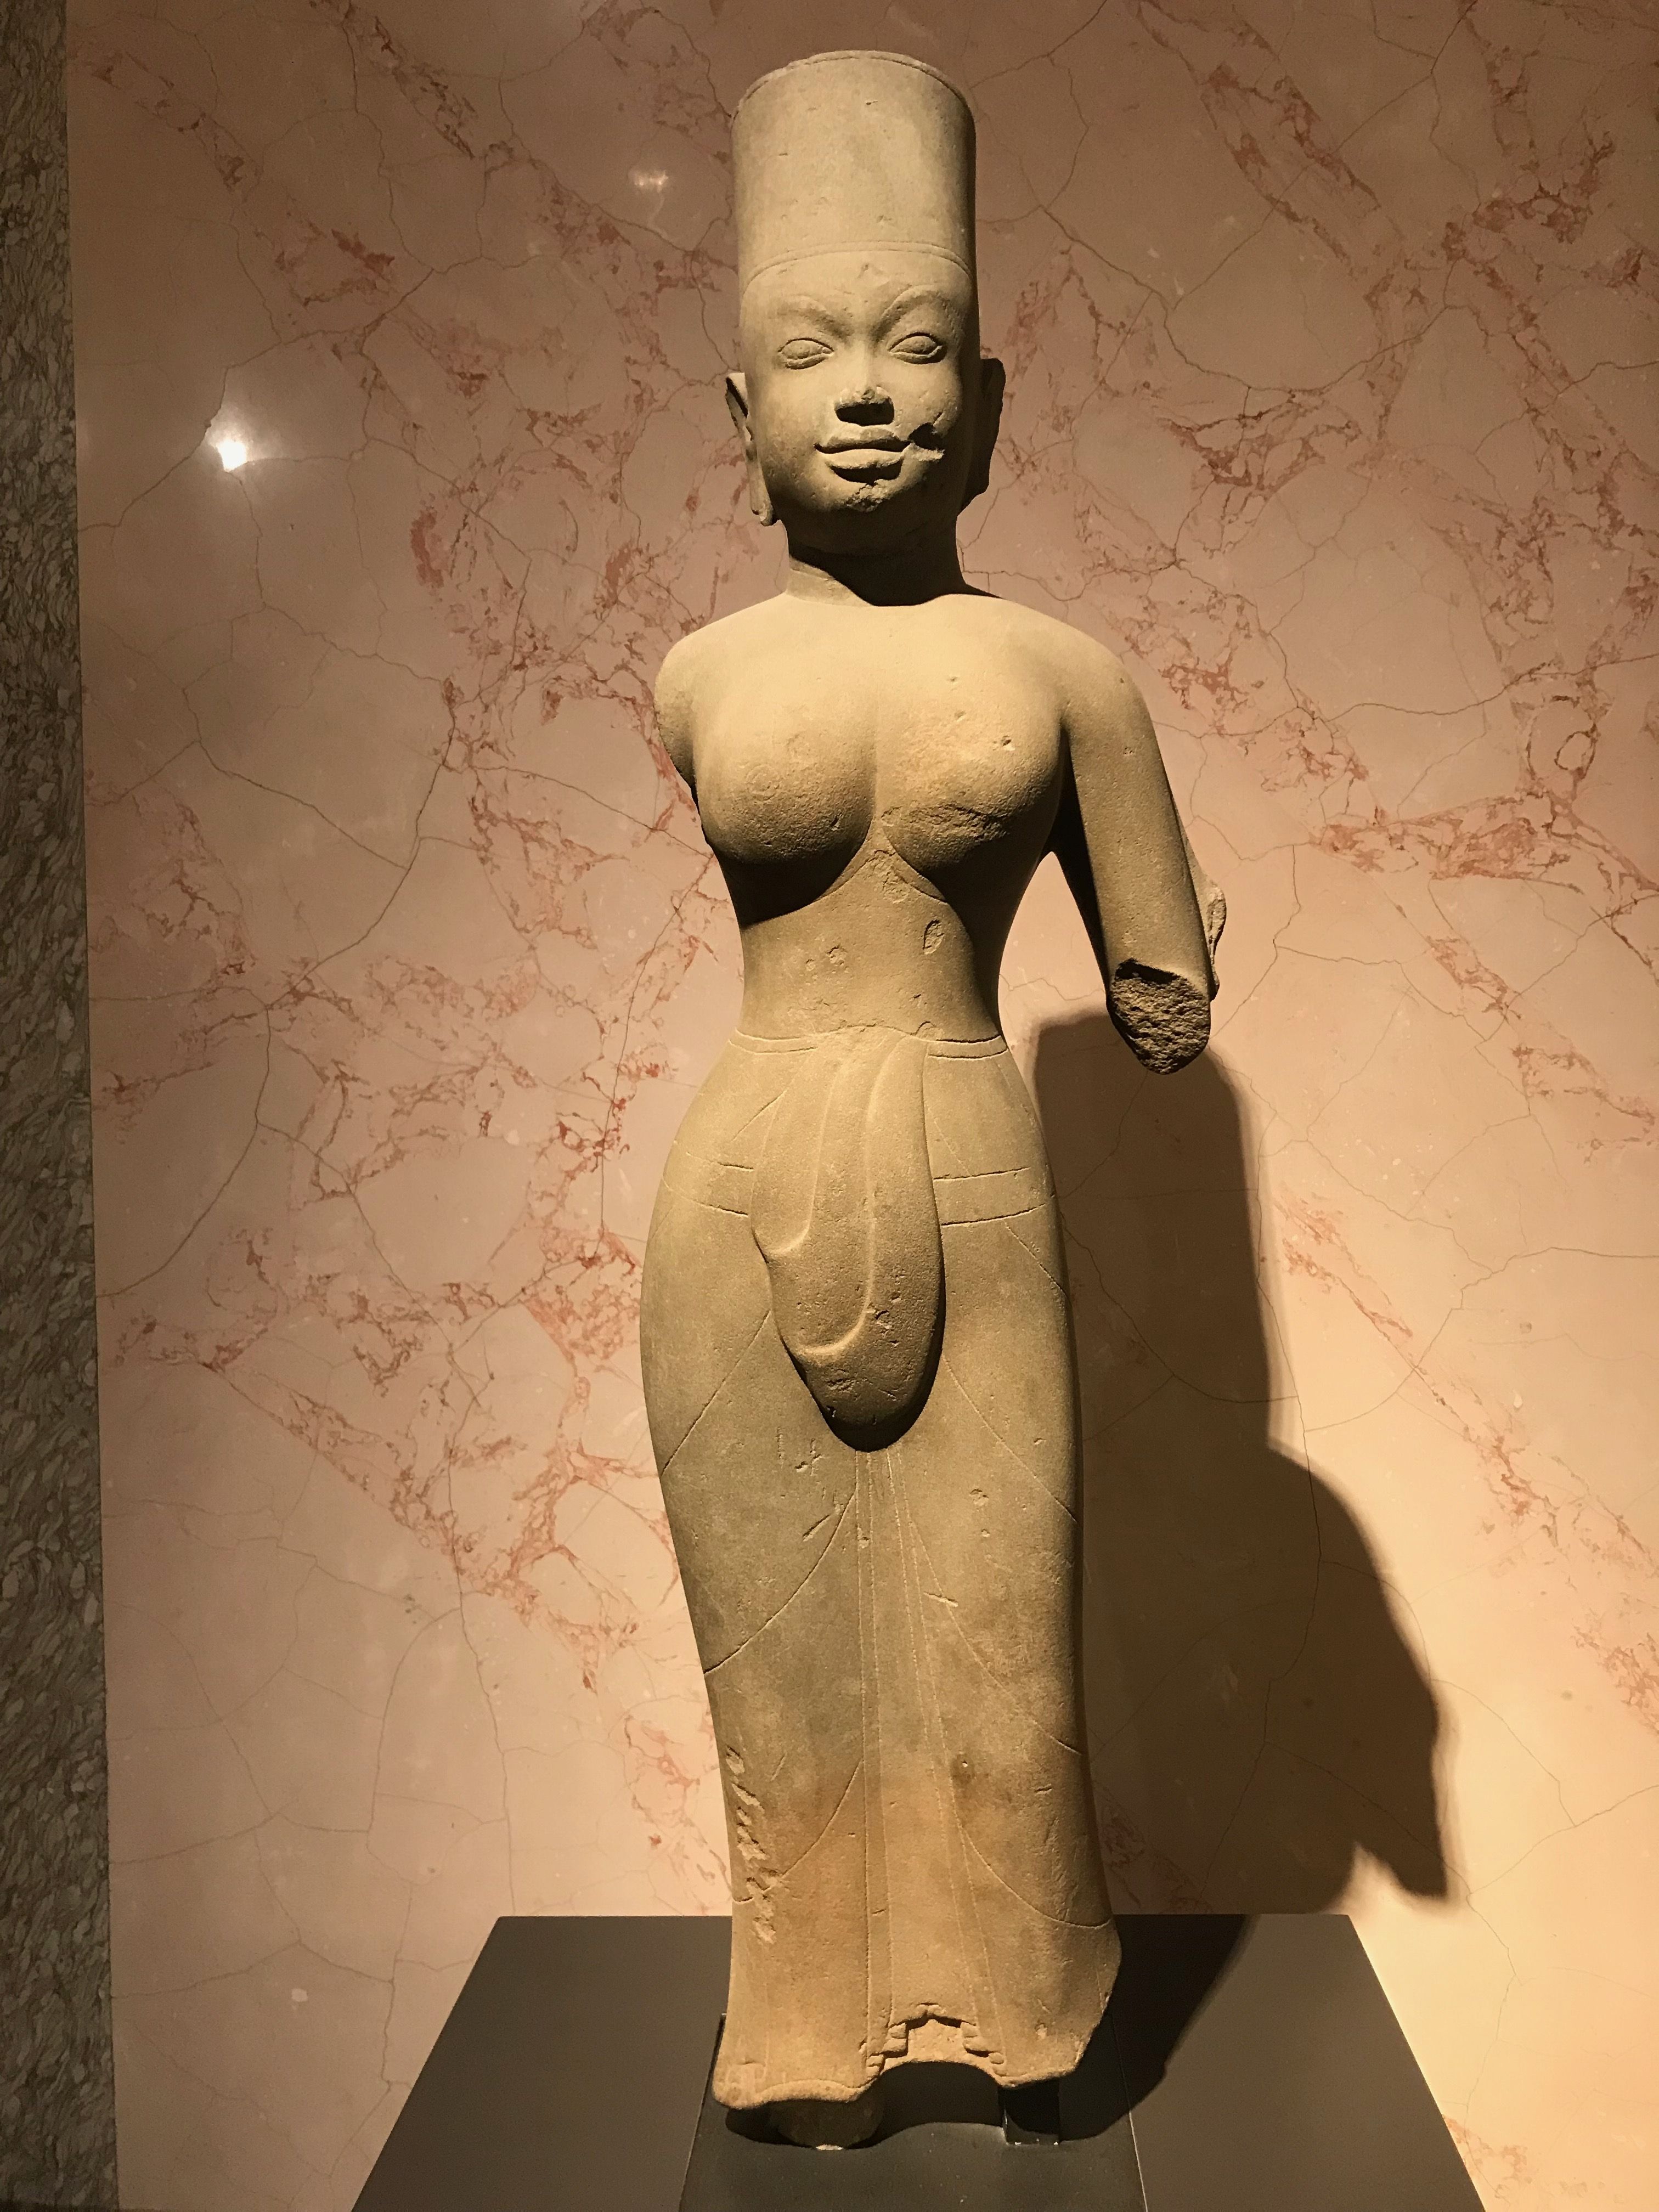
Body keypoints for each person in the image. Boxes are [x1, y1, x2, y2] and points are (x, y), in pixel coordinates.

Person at [640, 49, 1222, 2149]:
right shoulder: (701, 675)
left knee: (996, 1643)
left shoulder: (1067, 677)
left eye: (914, 349)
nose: (868, 396)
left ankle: (1025, 2015)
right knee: (780, 1657)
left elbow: (1160, 983)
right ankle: (805, 2036)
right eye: (809, 357)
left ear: (987, 400)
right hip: (746, 1179)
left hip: (974, 1162)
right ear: (739, 416)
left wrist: (1170, 978)